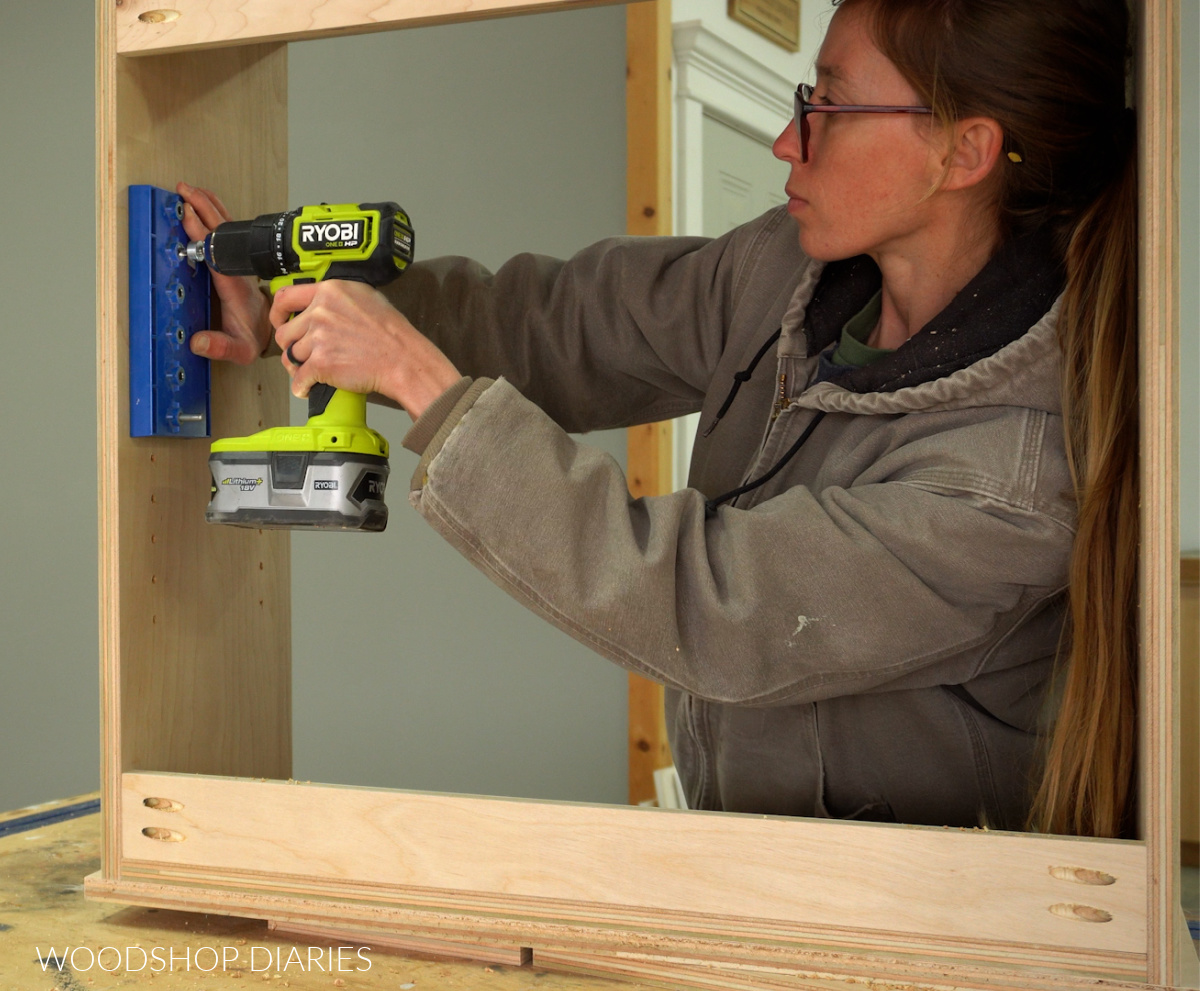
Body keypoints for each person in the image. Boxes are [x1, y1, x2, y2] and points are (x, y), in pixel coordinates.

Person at [179, 0, 1137, 838]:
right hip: (746, 855)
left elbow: (710, 606)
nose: (787, 142)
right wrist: (288, 312)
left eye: (832, 107)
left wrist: (420, 380)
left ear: (965, 150)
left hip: (911, 922)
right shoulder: (786, 274)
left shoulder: (1005, 484)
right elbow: (561, 328)